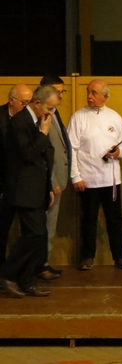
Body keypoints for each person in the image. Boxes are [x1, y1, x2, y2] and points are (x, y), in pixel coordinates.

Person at [0, 85, 58, 297]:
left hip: (37, 188)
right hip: (23, 189)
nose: (50, 113)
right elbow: (27, 154)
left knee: (37, 236)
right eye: (49, 108)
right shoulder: (19, 122)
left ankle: (25, 282)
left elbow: (46, 155)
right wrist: (43, 133)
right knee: (36, 234)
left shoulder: (37, 120)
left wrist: (49, 187)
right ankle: (7, 272)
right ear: (37, 103)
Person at [68, 79, 122, 270]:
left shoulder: (114, 117)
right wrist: (75, 176)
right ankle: (87, 257)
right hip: (87, 180)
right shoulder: (78, 117)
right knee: (88, 219)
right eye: (88, 92)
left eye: (94, 93)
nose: (89, 96)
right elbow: (71, 149)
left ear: (105, 96)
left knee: (115, 219)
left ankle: (120, 257)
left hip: (111, 180)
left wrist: (119, 152)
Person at [38, 75, 71, 279]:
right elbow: (43, 153)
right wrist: (52, 181)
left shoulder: (54, 112)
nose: (60, 95)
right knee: (43, 225)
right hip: (49, 181)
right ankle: (39, 265)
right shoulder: (41, 115)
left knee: (50, 225)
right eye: (58, 91)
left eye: (62, 91)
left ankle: (44, 262)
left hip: (59, 178)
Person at [0, 84, 32, 266]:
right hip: (3, 182)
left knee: (30, 230)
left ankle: (22, 268)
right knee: (2, 229)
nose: (26, 107)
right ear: (11, 101)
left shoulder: (30, 119)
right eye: (24, 102)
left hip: (23, 182)